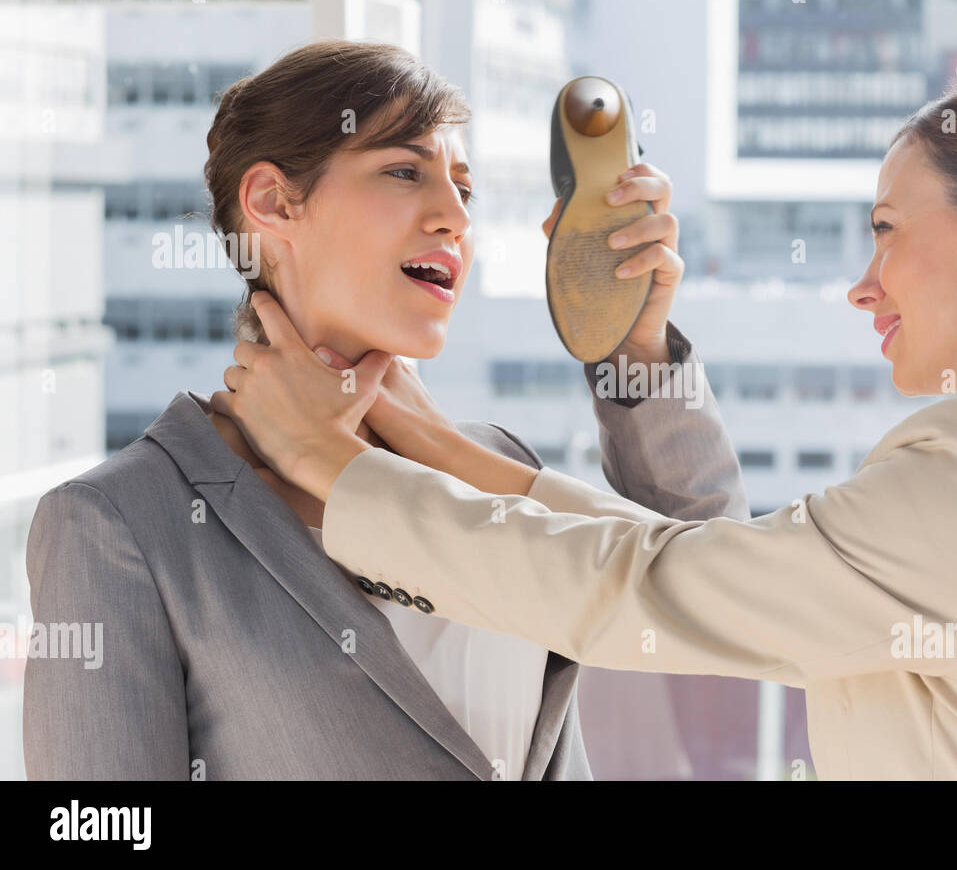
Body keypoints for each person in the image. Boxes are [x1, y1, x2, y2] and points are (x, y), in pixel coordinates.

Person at [219, 53, 957, 780]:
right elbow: (710, 570)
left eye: (887, 229)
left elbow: (658, 588)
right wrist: (455, 438)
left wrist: (331, 459)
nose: (864, 284)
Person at [23, 39, 745, 781]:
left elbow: (726, 589)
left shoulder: (498, 463)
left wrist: (634, 343)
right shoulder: (121, 523)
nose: (454, 218)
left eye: (465, 189)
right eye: (404, 171)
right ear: (272, 201)